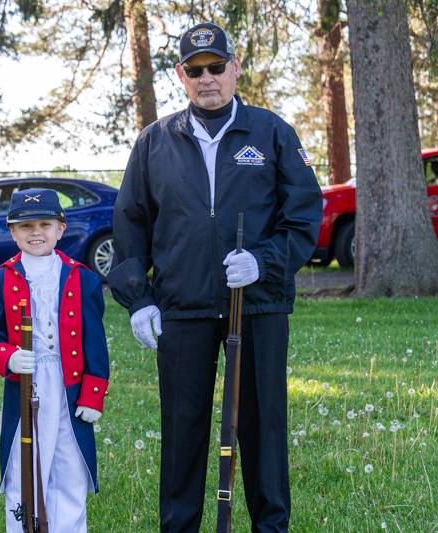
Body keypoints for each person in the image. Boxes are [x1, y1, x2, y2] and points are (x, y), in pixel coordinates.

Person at [108, 22, 322, 533]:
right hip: (181, 307)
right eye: (195, 70)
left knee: (262, 427)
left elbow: (304, 218)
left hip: (258, 306)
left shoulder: (272, 133)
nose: (207, 78)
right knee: (182, 431)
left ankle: (270, 526)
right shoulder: (154, 142)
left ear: (235, 68)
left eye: (216, 67)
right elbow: (130, 227)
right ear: (181, 76)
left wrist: (264, 262)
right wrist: (138, 298)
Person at [0, 189, 110, 532]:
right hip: (25, 382)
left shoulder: (83, 279)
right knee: (25, 467)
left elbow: (95, 342)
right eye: (25, 226)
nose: (36, 232)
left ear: (60, 229)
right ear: (11, 231)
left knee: (70, 466)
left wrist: (93, 394)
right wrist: (7, 357)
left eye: (44, 224)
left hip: (69, 384)